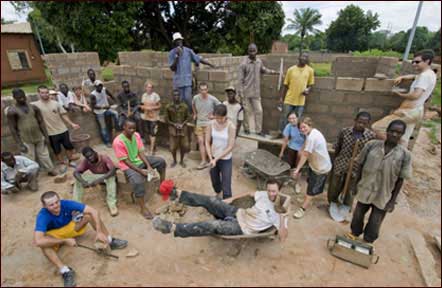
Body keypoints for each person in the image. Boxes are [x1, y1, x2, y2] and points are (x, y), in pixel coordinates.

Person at [33, 191, 128, 287]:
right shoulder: (42, 215)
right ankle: (65, 271)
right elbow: (38, 241)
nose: (56, 206)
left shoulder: (66, 204)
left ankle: (109, 240)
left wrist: (99, 231)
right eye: (51, 205)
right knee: (43, 245)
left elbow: (94, 211)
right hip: (55, 234)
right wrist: (64, 241)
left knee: (89, 216)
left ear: (59, 200)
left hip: (70, 227)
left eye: (57, 202)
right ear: (44, 206)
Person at [152, 179, 288, 241]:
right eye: (269, 190)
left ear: (279, 191)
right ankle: (178, 194)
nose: (271, 193)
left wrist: (282, 217)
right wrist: (230, 199)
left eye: (274, 191)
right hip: (238, 212)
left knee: (213, 225)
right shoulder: (264, 194)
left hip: (241, 227)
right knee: (211, 200)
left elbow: (282, 236)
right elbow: (250, 193)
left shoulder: (280, 210)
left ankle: (172, 228)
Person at [346, 120, 412, 246]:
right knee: (358, 214)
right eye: (392, 131)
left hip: (383, 194)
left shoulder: (404, 155)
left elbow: (400, 179)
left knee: (376, 221)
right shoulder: (371, 145)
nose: (394, 134)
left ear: (402, 135)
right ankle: (354, 233)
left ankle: (368, 240)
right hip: (365, 188)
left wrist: (392, 201)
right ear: (387, 131)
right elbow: (359, 165)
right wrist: (354, 184)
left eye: (398, 133)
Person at [372, 49, 437, 148]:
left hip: (408, 112)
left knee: (377, 127)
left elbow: (416, 95)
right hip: (417, 111)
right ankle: (401, 157)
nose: (414, 64)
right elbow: (416, 77)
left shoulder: (424, 76)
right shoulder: (430, 74)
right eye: (413, 62)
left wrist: (399, 94)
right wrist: (404, 77)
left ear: (427, 61)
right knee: (404, 138)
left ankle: (394, 149)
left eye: (417, 62)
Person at [112, 119, 167, 220]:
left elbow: (141, 152)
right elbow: (126, 161)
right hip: (128, 166)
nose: (132, 130)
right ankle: (143, 208)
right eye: (130, 128)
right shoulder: (118, 142)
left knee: (161, 162)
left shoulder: (136, 135)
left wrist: (149, 166)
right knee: (137, 181)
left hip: (139, 160)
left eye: (134, 128)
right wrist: (141, 171)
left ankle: (161, 186)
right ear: (124, 127)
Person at [328, 112, 376, 210]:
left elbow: (368, 154)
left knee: (351, 188)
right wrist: (336, 160)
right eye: (359, 122)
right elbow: (338, 147)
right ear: (355, 120)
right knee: (334, 186)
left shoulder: (370, 136)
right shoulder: (345, 131)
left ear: (367, 124)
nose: (361, 125)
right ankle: (332, 203)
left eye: (364, 123)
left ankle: (345, 207)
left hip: (356, 167)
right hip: (341, 162)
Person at [6, 88, 57, 176]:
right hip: (25, 138)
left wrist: (46, 136)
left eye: (23, 96)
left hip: (38, 136)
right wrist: (19, 144)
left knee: (44, 155)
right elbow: (13, 129)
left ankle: (50, 170)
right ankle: (32, 177)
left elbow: (41, 122)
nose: (22, 99)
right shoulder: (12, 111)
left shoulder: (34, 107)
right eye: (19, 97)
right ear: (14, 98)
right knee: (29, 159)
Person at [292, 117, 332, 219]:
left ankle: (303, 208)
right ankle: (308, 198)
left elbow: (305, 155)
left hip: (320, 168)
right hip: (315, 164)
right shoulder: (312, 132)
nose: (302, 129)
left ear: (309, 125)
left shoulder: (312, 137)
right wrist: (300, 150)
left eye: (304, 127)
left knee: (311, 189)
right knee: (310, 183)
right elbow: (305, 146)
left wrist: (297, 169)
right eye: (300, 128)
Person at [168, 32, 217, 112]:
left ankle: (191, 114)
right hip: (178, 81)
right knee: (179, 100)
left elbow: (198, 59)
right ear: (174, 43)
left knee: (188, 99)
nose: (178, 42)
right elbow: (172, 68)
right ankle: (182, 116)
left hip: (187, 81)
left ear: (182, 41)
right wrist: (177, 56)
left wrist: (210, 64)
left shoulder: (188, 51)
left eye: (180, 40)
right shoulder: (171, 53)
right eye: (176, 41)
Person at [32, 85, 80, 165]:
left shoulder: (56, 103)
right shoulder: (35, 105)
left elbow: (63, 115)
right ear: (38, 94)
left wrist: (72, 124)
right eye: (42, 93)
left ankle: (70, 159)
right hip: (50, 133)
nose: (45, 94)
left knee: (68, 146)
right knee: (57, 150)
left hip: (63, 129)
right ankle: (62, 163)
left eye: (47, 92)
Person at [238, 43, 278, 136]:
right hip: (246, 92)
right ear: (248, 51)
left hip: (256, 92)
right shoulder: (243, 64)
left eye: (254, 50)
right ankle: (246, 129)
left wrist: (274, 72)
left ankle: (258, 130)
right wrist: (240, 93)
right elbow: (240, 80)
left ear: (257, 51)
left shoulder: (259, 62)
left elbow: (264, 69)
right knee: (246, 112)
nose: (252, 53)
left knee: (259, 111)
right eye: (250, 51)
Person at [73, 147, 118, 217]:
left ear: (95, 153)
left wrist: (99, 180)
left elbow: (112, 171)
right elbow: (76, 173)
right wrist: (83, 182)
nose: (90, 158)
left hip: (107, 176)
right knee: (78, 180)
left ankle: (112, 204)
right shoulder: (86, 161)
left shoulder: (104, 158)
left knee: (111, 179)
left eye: (91, 155)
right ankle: (76, 205)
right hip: (96, 176)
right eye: (88, 157)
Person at [205, 104, 236, 199]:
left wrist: (216, 159)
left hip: (225, 159)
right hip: (213, 157)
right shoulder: (211, 124)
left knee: (226, 185)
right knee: (215, 181)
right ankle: (218, 193)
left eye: (221, 118)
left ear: (225, 116)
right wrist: (211, 158)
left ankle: (228, 204)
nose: (219, 120)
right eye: (217, 118)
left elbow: (230, 146)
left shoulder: (231, 126)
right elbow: (207, 141)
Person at [279, 53, 314, 131]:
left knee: (297, 120)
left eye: (306, 57)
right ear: (299, 57)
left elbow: (311, 84)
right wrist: (282, 98)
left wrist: (308, 89)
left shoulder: (310, 70)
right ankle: (281, 133)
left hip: (300, 100)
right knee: (285, 117)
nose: (304, 58)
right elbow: (285, 85)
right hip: (289, 99)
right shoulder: (291, 69)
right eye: (303, 56)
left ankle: (293, 135)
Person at [192, 82, 221, 169]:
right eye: (202, 90)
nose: (203, 91)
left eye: (205, 89)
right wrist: (195, 113)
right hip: (199, 123)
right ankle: (203, 161)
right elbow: (193, 105)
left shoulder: (212, 99)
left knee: (208, 142)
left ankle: (210, 159)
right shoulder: (196, 98)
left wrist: (215, 116)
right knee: (201, 142)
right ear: (199, 90)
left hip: (209, 123)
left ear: (207, 90)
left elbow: (221, 106)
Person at [165, 89, 191, 168]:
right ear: (172, 96)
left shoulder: (184, 106)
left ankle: (182, 161)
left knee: (184, 146)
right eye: (175, 95)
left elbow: (188, 117)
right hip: (173, 129)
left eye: (178, 95)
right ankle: (174, 160)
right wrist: (174, 124)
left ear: (180, 96)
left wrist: (183, 124)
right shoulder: (168, 106)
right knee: (173, 147)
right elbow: (166, 119)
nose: (176, 97)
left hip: (183, 128)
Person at [90, 80, 119, 148]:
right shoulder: (93, 95)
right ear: (95, 86)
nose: (100, 87)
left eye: (101, 85)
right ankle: (107, 142)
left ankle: (117, 127)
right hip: (99, 112)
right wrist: (103, 106)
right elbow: (93, 106)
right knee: (103, 127)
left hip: (106, 109)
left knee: (116, 113)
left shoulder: (104, 89)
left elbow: (111, 95)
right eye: (98, 86)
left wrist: (116, 102)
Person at [139, 81, 161, 154]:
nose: (149, 89)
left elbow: (159, 105)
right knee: (148, 132)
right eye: (148, 87)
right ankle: (153, 146)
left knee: (153, 132)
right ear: (146, 88)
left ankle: (151, 150)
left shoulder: (155, 95)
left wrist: (153, 108)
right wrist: (143, 107)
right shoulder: (144, 95)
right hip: (146, 116)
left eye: (151, 87)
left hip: (154, 117)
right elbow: (141, 105)